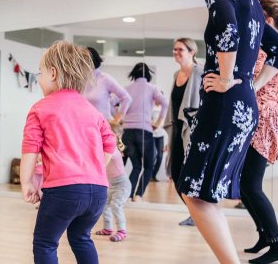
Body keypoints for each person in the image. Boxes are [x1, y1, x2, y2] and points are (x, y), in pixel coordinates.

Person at [176, 0, 278, 263]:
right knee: (202, 192)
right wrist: (250, 85)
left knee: (194, 191)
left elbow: (227, 32)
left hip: (224, 103)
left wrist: (226, 78)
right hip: (242, 103)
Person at [19, 41, 115, 263]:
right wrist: (96, 169)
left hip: (63, 192)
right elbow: (110, 143)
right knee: (81, 237)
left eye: (40, 73)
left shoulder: (40, 108)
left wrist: (26, 182)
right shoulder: (92, 110)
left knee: (45, 243)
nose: (39, 78)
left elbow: (30, 149)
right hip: (98, 192)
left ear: (53, 73)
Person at [240, 0, 278, 264]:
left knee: (251, 185)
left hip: (264, 118)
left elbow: (249, 78)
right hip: (263, 117)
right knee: (245, 185)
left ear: (265, 18)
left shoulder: (270, 45)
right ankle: (266, 235)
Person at [83, 47, 132, 242]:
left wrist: (117, 119)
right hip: (86, 132)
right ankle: (101, 220)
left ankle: (117, 226)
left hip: (104, 130)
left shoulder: (104, 78)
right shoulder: (79, 80)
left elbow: (126, 97)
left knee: (104, 167)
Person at [163, 37, 203, 226]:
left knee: (192, 175)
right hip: (178, 131)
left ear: (192, 52)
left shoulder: (200, 73)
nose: (176, 53)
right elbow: (173, 106)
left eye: (180, 50)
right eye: (174, 50)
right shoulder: (176, 75)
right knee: (177, 174)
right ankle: (195, 213)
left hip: (195, 132)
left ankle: (201, 215)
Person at [123, 62, 168, 202]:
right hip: (144, 131)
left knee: (136, 166)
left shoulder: (126, 89)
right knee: (149, 165)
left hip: (127, 132)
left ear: (133, 74)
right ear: (149, 74)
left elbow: (112, 102)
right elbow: (165, 103)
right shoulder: (152, 88)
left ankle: (129, 195)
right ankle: (139, 195)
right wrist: (159, 122)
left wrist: (118, 118)